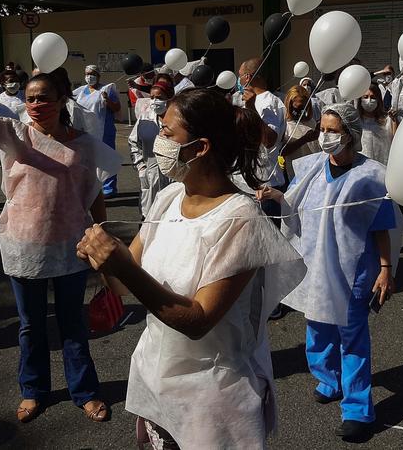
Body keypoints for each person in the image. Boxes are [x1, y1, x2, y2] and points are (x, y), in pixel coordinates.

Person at [75, 88, 306, 450]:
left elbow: (199, 320)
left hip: (211, 399)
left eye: (167, 133)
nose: (159, 141)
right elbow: (121, 284)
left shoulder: (240, 219)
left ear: (200, 148)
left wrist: (122, 266)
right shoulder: (169, 197)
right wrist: (102, 261)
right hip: (158, 381)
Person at [0, 30, 119, 425]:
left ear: (62, 100)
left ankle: (85, 392)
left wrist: (102, 240)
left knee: (73, 325)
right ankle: (33, 390)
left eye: (44, 98)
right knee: (31, 327)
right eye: (30, 99)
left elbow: (93, 194)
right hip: (23, 247)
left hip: (72, 247)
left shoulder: (84, 144)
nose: (35, 105)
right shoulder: (12, 134)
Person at [259, 103, 403, 443]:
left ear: (349, 135)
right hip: (315, 266)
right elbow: (295, 205)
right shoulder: (311, 168)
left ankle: (358, 410)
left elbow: (381, 226)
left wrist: (386, 269)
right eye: (323, 129)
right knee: (317, 327)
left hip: (353, 271)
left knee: (352, 338)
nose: (324, 136)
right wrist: (275, 194)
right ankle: (329, 379)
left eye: (332, 130)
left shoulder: (372, 176)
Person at [238, 57, 287, 205]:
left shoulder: (269, 102)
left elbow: (269, 141)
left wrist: (251, 109)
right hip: (247, 183)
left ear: (247, 77)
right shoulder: (248, 100)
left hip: (265, 187)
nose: (238, 80)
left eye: (239, 75)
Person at [129, 78, 175, 218]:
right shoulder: (145, 118)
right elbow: (133, 143)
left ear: (169, 98)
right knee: (149, 215)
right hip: (150, 177)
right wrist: (141, 167)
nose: (155, 101)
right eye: (152, 97)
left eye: (159, 98)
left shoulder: (179, 120)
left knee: (170, 214)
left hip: (174, 179)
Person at [74, 65, 121, 197]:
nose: (89, 76)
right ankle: (92, 187)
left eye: (92, 74)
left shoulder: (107, 89)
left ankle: (109, 188)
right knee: (89, 160)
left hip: (105, 129)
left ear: (98, 76)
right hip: (87, 130)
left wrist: (107, 100)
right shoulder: (81, 91)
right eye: (87, 74)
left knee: (106, 158)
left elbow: (117, 108)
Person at [281, 85, 320, 181]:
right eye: (297, 107)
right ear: (289, 104)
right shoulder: (284, 124)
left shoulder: (311, 122)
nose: (300, 111)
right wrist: (304, 139)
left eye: (303, 107)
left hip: (312, 172)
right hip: (293, 175)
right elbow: (281, 151)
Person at [357, 82, 398, 165]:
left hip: (382, 165)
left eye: (373, 97)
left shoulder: (387, 120)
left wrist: (394, 121)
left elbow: (396, 141)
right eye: (365, 97)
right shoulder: (356, 121)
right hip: (361, 166)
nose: (369, 100)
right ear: (360, 100)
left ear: (378, 100)